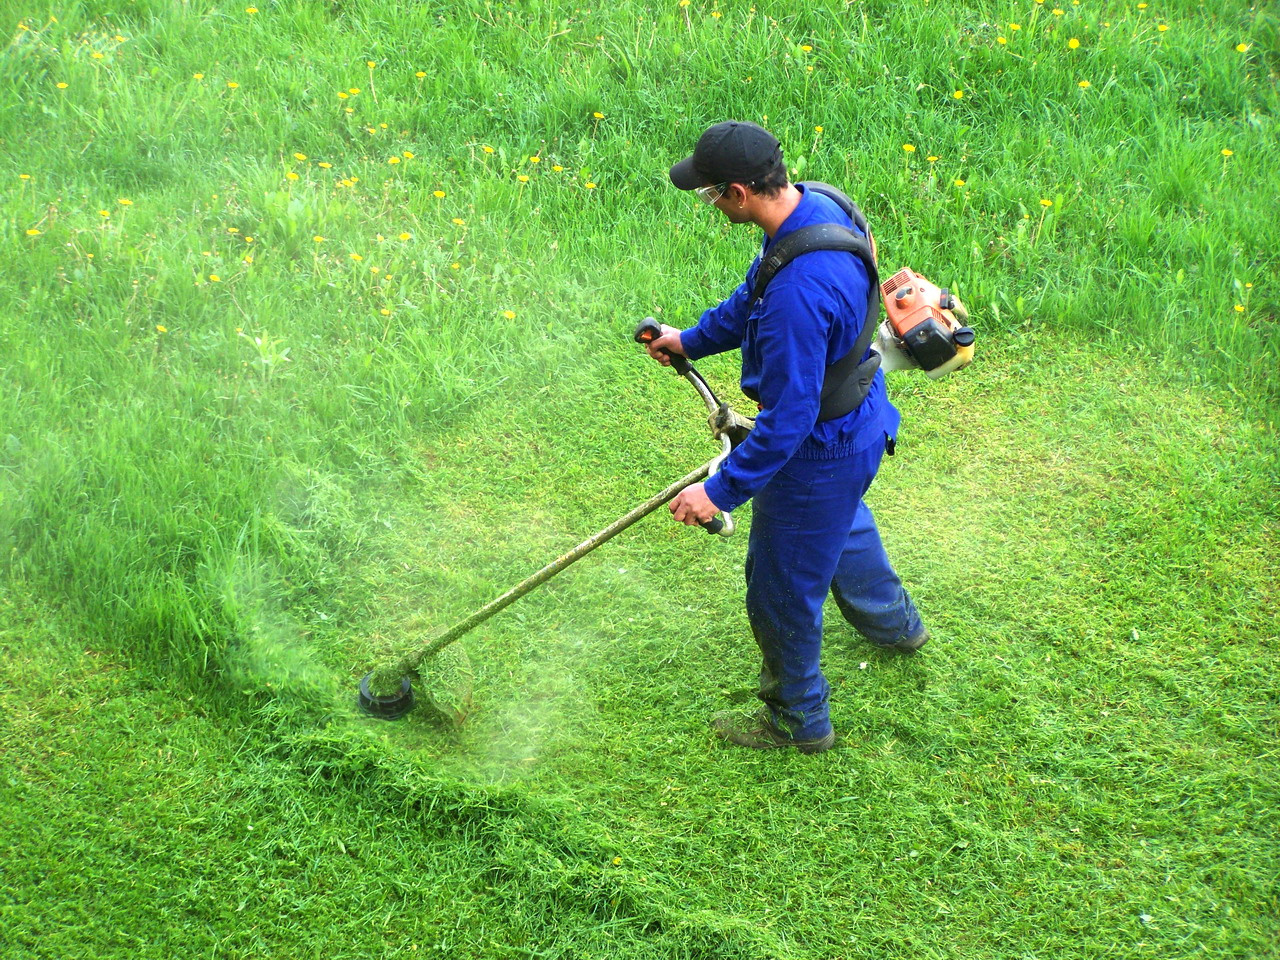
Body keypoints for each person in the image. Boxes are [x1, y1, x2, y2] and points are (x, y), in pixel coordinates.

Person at [645, 120, 928, 755]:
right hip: (861, 423)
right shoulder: (819, 205)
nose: (710, 204)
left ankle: (798, 717)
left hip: (816, 451)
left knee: (780, 583)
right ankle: (896, 627)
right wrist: (689, 340)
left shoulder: (799, 297)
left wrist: (720, 491)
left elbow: (788, 421)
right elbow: (754, 294)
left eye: (711, 193)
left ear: (740, 191)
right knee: (843, 526)